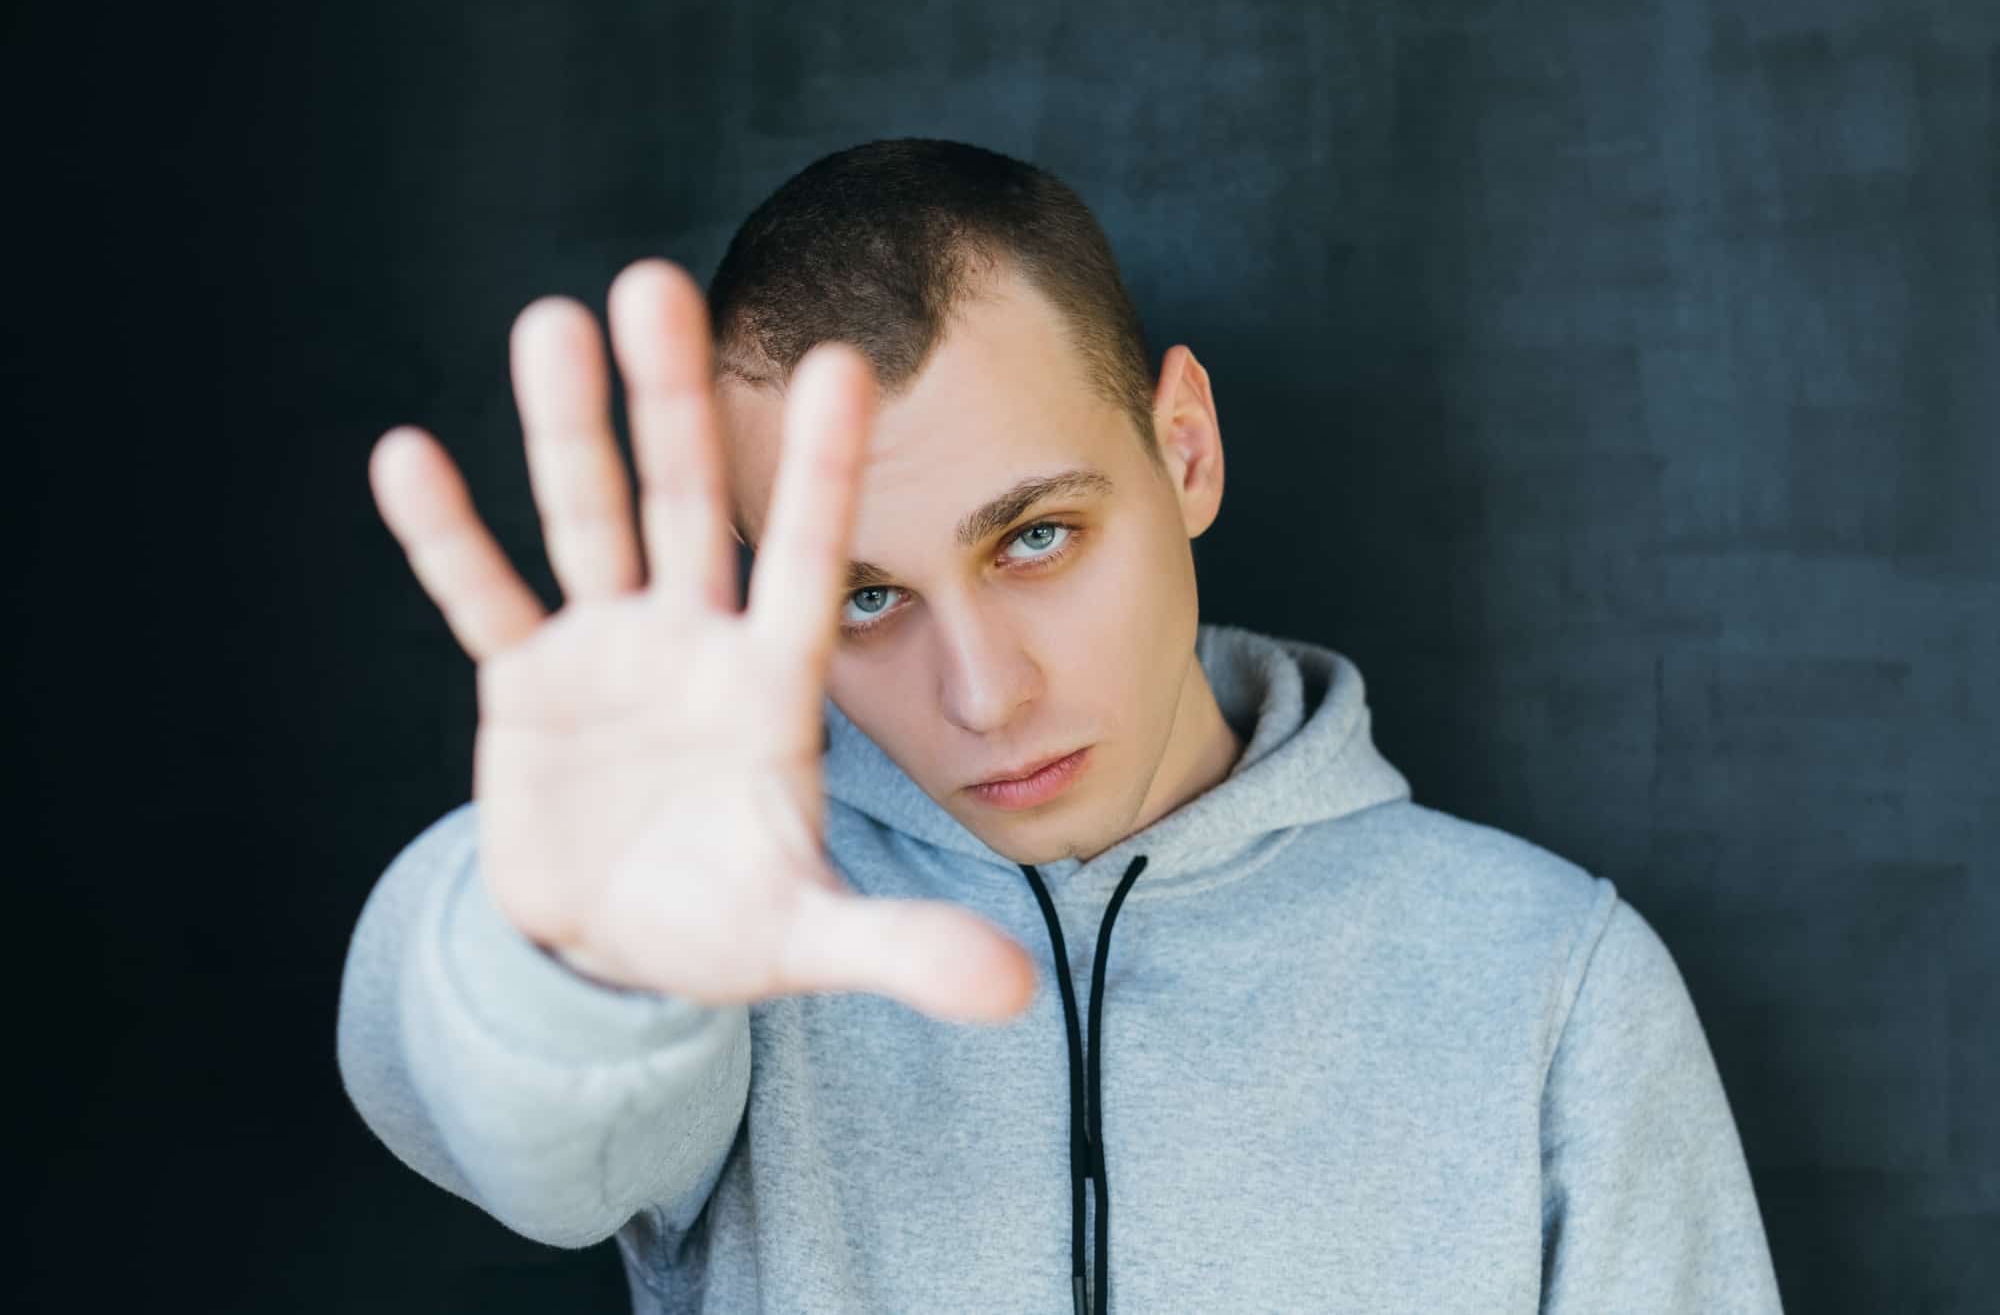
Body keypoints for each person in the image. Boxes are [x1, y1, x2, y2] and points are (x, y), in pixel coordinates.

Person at [336, 137, 1784, 1314]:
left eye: (1034, 537)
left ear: (1186, 449)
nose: (981, 693)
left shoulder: (1550, 979)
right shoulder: (746, 934)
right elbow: (484, 1116)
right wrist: (567, 951)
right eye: (864, 595)